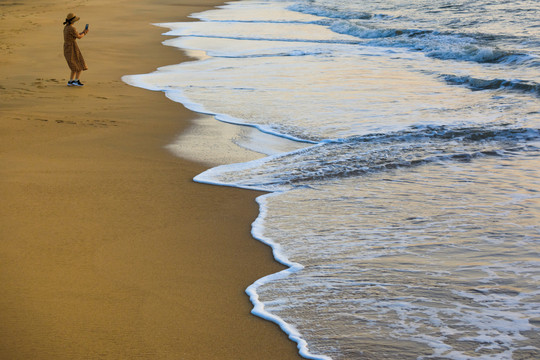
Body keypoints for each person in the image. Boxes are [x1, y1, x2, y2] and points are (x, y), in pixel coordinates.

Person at [63, 13, 89, 87]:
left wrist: (83, 32)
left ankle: (71, 81)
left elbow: (75, 35)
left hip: (67, 47)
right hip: (72, 47)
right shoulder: (72, 28)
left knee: (74, 66)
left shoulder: (66, 27)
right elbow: (79, 37)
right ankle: (76, 81)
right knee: (79, 64)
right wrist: (85, 33)